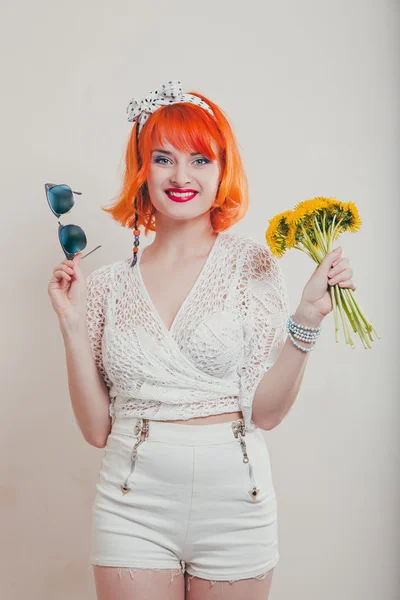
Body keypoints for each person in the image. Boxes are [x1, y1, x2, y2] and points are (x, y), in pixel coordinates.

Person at [47, 80, 355, 600]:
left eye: (200, 160)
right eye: (163, 159)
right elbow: (96, 430)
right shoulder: (104, 285)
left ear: (222, 170)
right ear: (142, 171)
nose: (181, 176)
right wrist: (73, 327)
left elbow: (266, 415)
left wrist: (306, 318)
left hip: (237, 504)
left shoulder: (252, 266)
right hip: (132, 501)